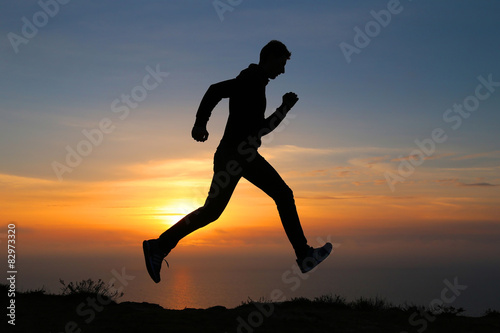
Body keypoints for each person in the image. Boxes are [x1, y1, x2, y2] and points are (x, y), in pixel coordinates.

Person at [143, 40, 332, 283]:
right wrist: (201, 122)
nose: (283, 71)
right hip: (238, 155)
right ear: (270, 58)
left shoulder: (257, 83)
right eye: (281, 64)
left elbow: (261, 129)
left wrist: (283, 109)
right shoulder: (251, 78)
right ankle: (304, 255)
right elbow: (215, 90)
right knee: (282, 195)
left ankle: (159, 246)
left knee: (212, 211)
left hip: (237, 155)